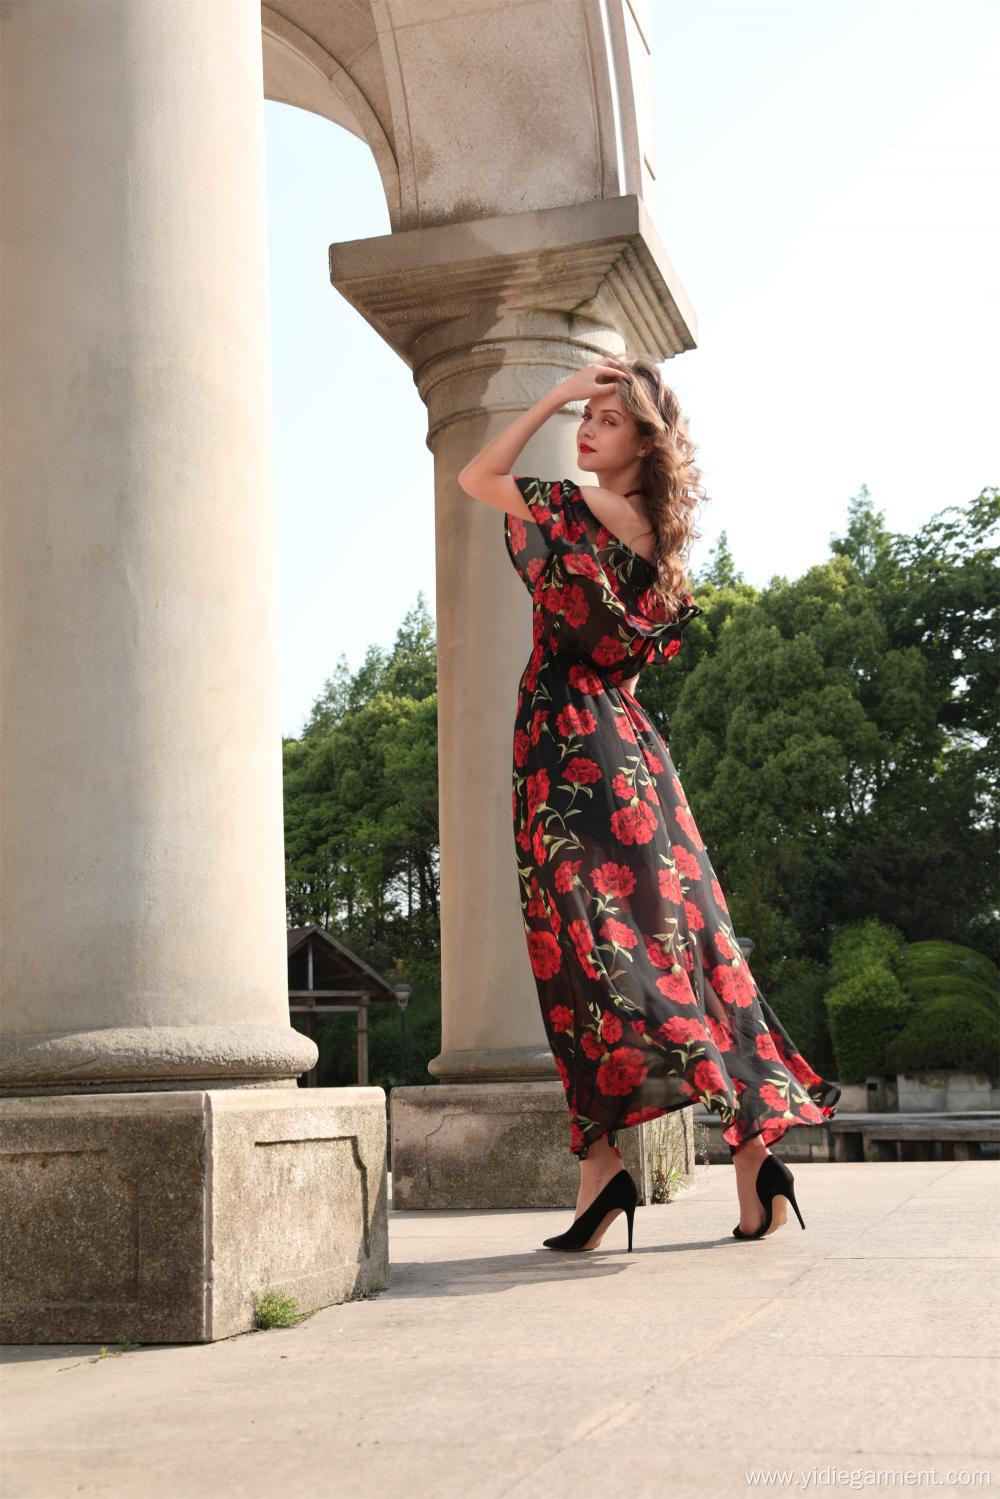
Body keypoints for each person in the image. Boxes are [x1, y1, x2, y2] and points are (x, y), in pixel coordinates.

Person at [458, 353, 841, 1253]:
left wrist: (549, 394)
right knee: (673, 943)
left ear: (643, 443)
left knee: (590, 958)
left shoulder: (593, 511)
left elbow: (479, 476)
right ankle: (733, 1159)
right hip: (621, 752)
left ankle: (615, 1172)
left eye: (606, 419)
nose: (587, 429)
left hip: (573, 752)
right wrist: (568, 401)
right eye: (585, 416)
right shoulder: (651, 534)